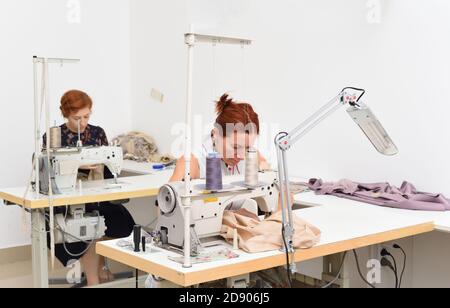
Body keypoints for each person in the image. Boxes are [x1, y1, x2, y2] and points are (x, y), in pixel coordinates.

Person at [43, 90, 135, 286]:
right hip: (67, 201)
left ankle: (98, 266)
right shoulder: (54, 136)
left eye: (86, 116)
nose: (83, 122)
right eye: (77, 118)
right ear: (66, 114)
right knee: (88, 226)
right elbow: (47, 173)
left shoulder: (97, 132)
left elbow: (109, 167)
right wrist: (76, 165)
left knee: (122, 221)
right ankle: (94, 280)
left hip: (96, 196)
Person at [170, 93, 270, 182]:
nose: (241, 156)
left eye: (247, 148)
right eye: (235, 147)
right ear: (215, 134)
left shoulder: (250, 156)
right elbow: (168, 199)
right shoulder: (191, 162)